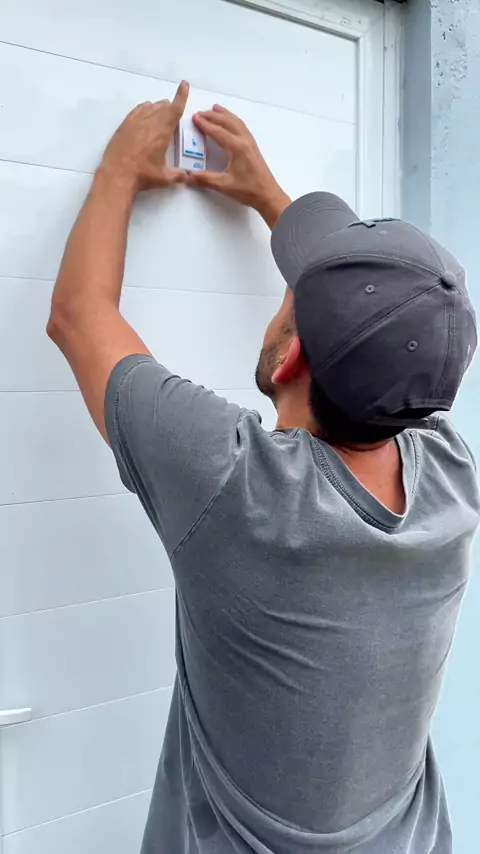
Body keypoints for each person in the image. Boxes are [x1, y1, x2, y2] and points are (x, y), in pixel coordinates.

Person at [48, 80, 480, 854]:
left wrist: (118, 168)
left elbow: (81, 315)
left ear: (288, 358)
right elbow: (381, 327)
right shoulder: (453, 474)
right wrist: (268, 193)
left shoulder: (237, 485)